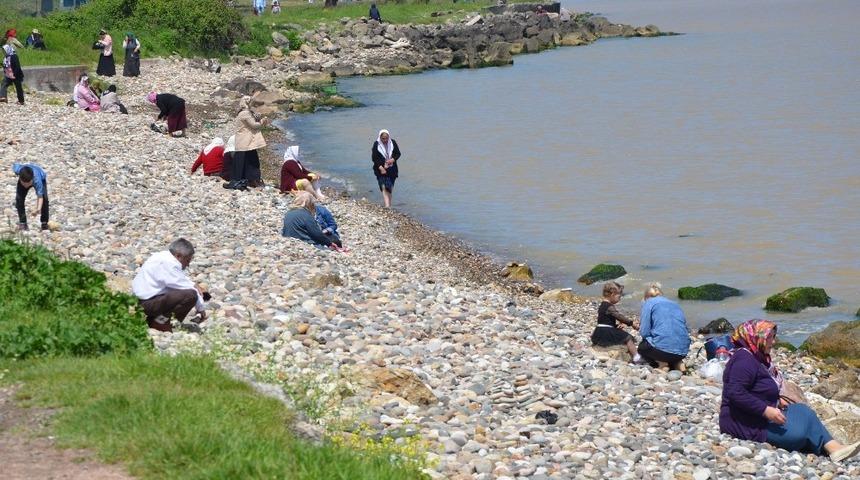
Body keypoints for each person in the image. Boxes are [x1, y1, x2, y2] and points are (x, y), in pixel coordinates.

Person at [720, 319, 860, 461]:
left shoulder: (757, 357)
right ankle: (826, 447)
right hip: (743, 422)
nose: (773, 342)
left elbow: (757, 388)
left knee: (803, 411)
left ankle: (833, 447)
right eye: (769, 337)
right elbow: (735, 393)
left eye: (773, 337)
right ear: (756, 337)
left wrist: (776, 401)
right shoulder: (744, 360)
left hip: (758, 415)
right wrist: (766, 410)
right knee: (798, 434)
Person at [132, 238, 208, 332]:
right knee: (190, 295)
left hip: (143, 300)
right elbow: (188, 288)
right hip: (147, 303)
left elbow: (179, 279)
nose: (188, 265)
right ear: (178, 255)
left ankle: (156, 320)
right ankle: (160, 323)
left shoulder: (163, 256)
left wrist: (193, 284)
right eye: (187, 260)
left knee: (184, 292)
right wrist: (201, 309)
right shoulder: (170, 263)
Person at [637, 282, 690, 371]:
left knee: (642, 348)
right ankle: (678, 362)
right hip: (683, 351)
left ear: (646, 297)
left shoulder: (649, 303)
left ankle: (662, 363)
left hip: (662, 352)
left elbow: (644, 332)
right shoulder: (675, 304)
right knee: (671, 341)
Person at [590, 281, 640, 362]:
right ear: (612, 294)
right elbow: (619, 316)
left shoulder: (603, 305)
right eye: (619, 296)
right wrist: (631, 323)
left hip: (599, 330)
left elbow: (605, 321)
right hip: (606, 331)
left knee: (620, 334)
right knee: (627, 337)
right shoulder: (609, 307)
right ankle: (637, 357)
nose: (620, 298)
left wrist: (615, 326)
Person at [229, 96, 268, 189]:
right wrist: (262, 121)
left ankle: (243, 180)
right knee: (251, 161)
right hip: (246, 141)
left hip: (244, 141)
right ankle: (251, 180)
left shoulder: (243, 112)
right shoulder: (245, 113)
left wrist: (257, 118)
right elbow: (254, 125)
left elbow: (251, 122)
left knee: (245, 161)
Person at [12, 163, 49, 231]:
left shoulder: (37, 180)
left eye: (28, 184)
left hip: (40, 176)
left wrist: (38, 209)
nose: (26, 186)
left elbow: (40, 197)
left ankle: (44, 223)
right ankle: (23, 223)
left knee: (45, 199)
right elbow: (14, 165)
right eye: (24, 184)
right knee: (19, 199)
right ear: (20, 178)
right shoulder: (17, 170)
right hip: (26, 175)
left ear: (32, 179)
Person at [371, 129, 401, 208]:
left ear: (389, 137)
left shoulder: (392, 142)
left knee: (390, 187)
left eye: (386, 138)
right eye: (383, 138)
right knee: (383, 186)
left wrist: (392, 160)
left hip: (392, 169)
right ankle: (387, 205)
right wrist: (381, 168)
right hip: (380, 169)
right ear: (380, 137)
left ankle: (389, 205)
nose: (385, 140)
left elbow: (398, 153)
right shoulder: (376, 144)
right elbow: (374, 158)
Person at [1, 30, 25, 105]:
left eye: (4, 51)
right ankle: (3, 97)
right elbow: (5, 65)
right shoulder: (7, 57)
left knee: (18, 87)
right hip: (9, 74)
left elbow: (17, 66)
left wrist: (14, 75)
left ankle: (21, 101)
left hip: (16, 75)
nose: (4, 52)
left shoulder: (14, 56)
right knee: (4, 83)